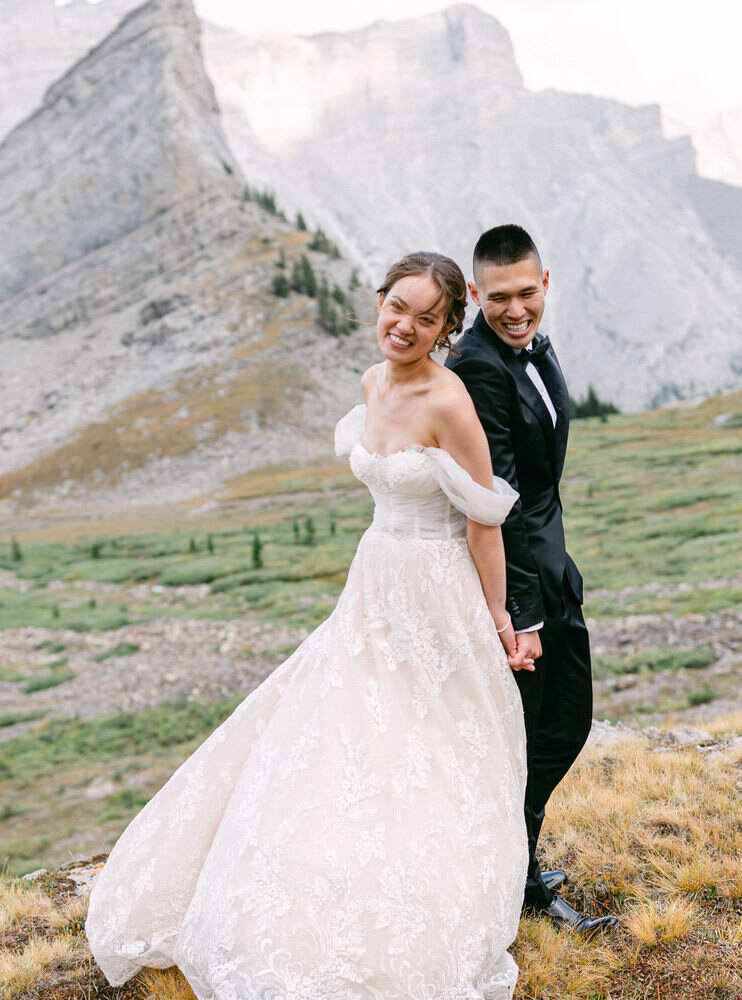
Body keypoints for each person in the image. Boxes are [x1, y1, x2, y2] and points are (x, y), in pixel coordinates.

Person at [86, 251, 535, 999]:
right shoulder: (370, 383)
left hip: (436, 583)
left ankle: (420, 887)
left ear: (448, 327)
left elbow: (483, 519)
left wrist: (498, 615)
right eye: (398, 306)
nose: (406, 326)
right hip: (375, 580)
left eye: (427, 318)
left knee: (435, 736)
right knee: (351, 727)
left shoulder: (450, 401)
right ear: (379, 302)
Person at [447, 225, 619, 935]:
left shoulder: (529, 347)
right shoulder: (478, 367)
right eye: (498, 299)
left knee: (562, 724)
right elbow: (500, 499)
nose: (516, 311)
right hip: (523, 592)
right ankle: (514, 882)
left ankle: (511, 860)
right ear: (476, 293)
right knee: (530, 737)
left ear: (545, 283)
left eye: (527, 294)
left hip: (553, 570)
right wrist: (521, 616)